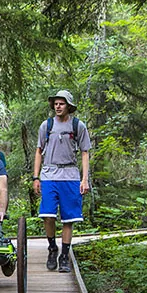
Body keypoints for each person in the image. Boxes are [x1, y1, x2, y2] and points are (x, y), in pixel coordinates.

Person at [32, 90, 91, 273]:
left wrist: (84, 179)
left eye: (62, 104)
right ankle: (52, 248)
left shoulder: (77, 125)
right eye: (56, 104)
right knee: (48, 215)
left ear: (69, 106)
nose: (58, 106)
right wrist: (36, 177)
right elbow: (39, 150)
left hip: (70, 175)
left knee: (69, 218)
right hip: (49, 174)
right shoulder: (46, 125)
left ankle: (64, 256)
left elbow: (85, 152)